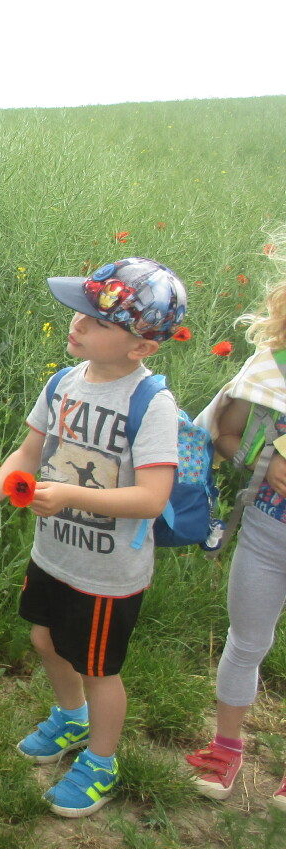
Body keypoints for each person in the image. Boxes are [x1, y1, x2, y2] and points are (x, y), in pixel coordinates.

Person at [0, 257, 188, 818]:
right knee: (45, 639)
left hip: (107, 572)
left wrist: (69, 495)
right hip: (54, 554)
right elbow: (29, 452)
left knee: (99, 668)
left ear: (141, 347)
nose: (77, 324)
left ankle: (101, 762)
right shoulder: (63, 383)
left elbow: (152, 497)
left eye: (97, 321)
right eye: (79, 312)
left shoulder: (151, 404)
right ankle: (71, 718)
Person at [184, 268, 286, 804]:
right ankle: (226, 748)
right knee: (246, 641)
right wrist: (266, 463)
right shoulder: (271, 372)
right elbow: (223, 433)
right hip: (269, 534)